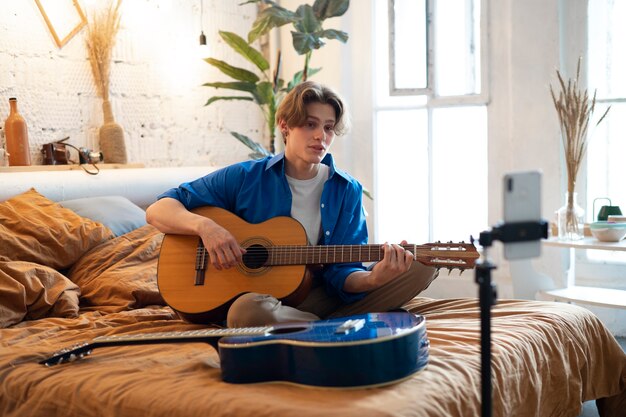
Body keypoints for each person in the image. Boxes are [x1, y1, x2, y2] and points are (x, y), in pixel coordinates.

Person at [146, 81, 438, 328]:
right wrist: (206, 227)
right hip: (260, 300)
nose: (320, 137)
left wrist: (374, 278)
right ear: (285, 126)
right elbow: (158, 209)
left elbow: (343, 273)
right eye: (310, 125)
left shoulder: (346, 190)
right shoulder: (246, 177)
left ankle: (313, 325)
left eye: (328, 128)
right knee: (246, 311)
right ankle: (335, 326)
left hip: (317, 297)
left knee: (423, 264)